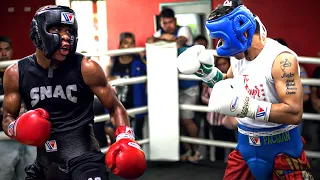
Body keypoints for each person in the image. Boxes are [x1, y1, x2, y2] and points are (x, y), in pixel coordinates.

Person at [1, 5, 146, 180]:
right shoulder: (16, 73)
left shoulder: (86, 68)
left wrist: (124, 137)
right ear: (38, 33)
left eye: (69, 31)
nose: (65, 37)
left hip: (85, 159)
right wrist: (16, 128)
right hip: (45, 164)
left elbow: (115, 107)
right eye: (56, 30)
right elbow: (8, 117)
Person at [177, 0, 313, 179]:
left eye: (223, 38)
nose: (221, 45)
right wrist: (205, 72)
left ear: (243, 31)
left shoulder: (281, 60)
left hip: (282, 148)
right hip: (246, 146)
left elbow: (294, 113)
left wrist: (247, 107)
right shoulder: (238, 56)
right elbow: (227, 86)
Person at [0, 36, 37, 180]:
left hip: (24, 134)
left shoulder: (17, 72)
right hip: (3, 138)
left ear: (11, 51)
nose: (4, 53)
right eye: (0, 50)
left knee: (29, 175)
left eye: (6, 49)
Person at [106, 32, 147, 143]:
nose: (129, 46)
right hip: (119, 103)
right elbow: (107, 77)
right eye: (126, 43)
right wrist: (112, 78)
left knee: (137, 136)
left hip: (136, 103)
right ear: (120, 45)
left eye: (132, 43)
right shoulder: (114, 59)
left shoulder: (139, 59)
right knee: (110, 129)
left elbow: (150, 71)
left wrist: (143, 56)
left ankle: (137, 159)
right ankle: (119, 154)